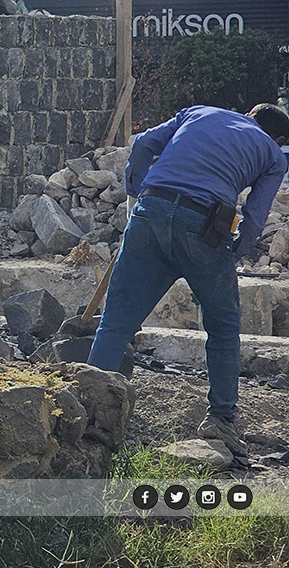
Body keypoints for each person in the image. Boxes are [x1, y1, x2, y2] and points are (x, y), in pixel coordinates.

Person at [88, 103, 289, 458]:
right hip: (204, 226)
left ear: (246, 114)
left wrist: (136, 198)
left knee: (116, 322)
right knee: (223, 326)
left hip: (151, 211)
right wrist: (234, 251)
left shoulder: (197, 112)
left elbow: (142, 146)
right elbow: (255, 218)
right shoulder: (273, 153)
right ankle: (221, 419)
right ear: (280, 137)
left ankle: (85, 407)